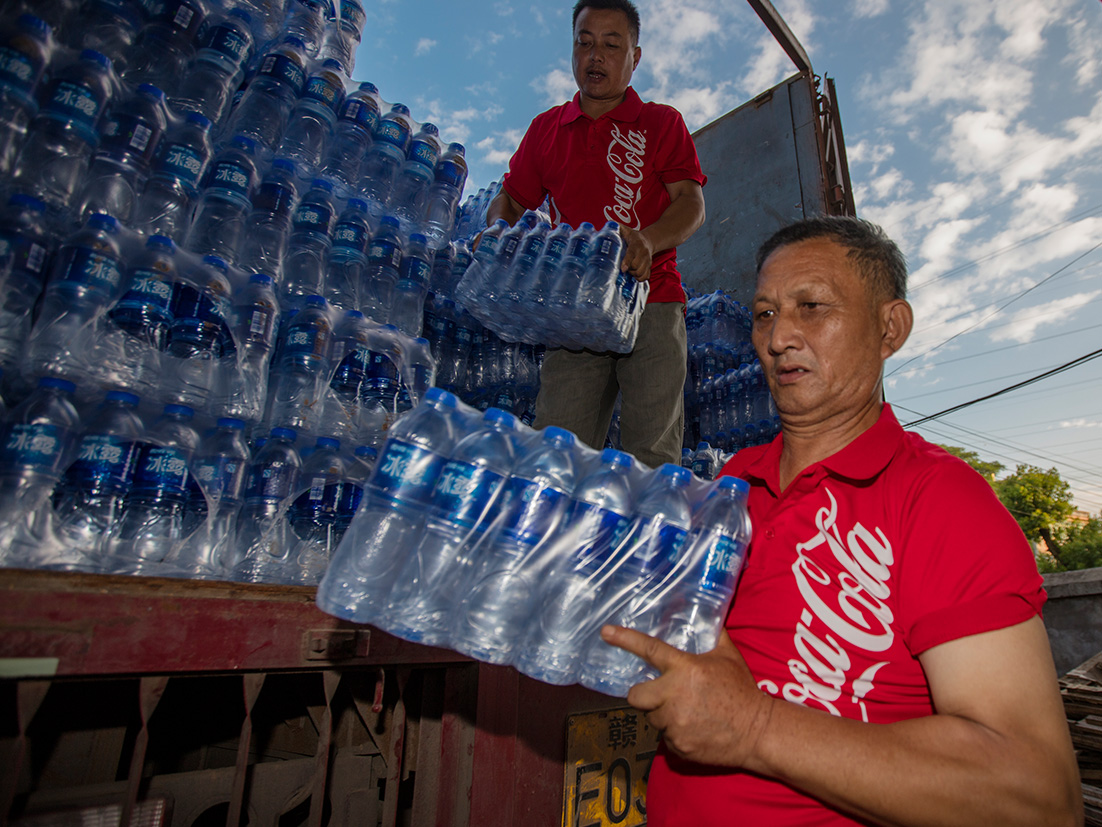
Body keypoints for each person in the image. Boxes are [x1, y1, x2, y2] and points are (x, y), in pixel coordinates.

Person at [602, 216, 1084, 826]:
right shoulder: (721, 493)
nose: (779, 338)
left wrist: (753, 725)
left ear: (890, 328)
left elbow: (1038, 797)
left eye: (812, 307)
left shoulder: (939, 501)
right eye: (765, 313)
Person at [484, 0, 706, 469]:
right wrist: (499, 240)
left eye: (611, 44)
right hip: (574, 310)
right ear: (572, 50)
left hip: (653, 297)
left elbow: (691, 202)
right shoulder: (546, 129)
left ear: (635, 56)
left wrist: (647, 239)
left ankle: (642, 541)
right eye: (584, 43)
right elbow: (510, 200)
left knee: (651, 459)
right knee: (555, 453)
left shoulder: (662, 122)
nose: (595, 56)